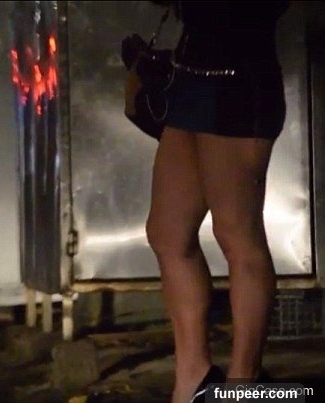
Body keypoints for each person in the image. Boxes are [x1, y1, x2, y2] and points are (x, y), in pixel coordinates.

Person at [143, 2, 289, 402]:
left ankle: (243, 382)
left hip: (240, 79)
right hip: (190, 78)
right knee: (167, 232)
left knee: (237, 232)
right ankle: (193, 376)